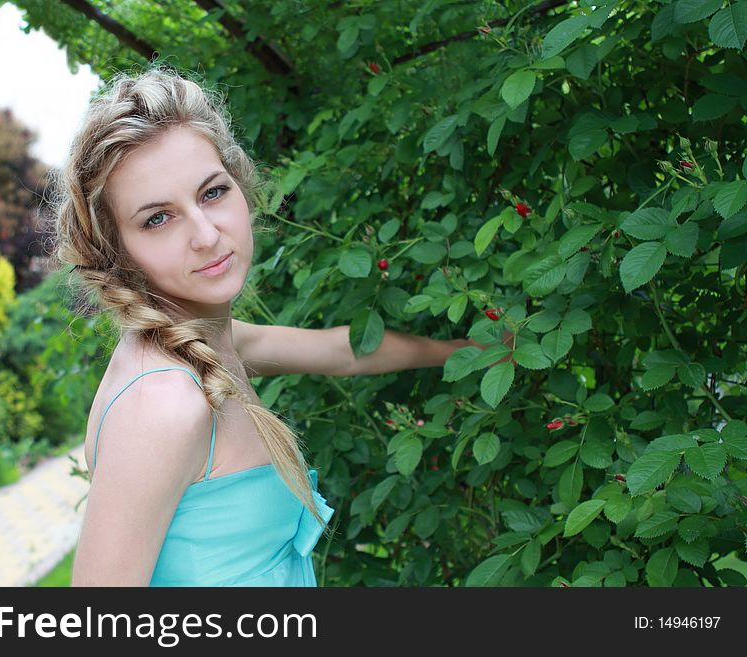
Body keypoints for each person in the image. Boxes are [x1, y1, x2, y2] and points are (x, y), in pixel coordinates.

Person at [50, 66, 508, 587]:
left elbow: (343, 351)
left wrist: (466, 350)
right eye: (158, 218)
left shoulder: (208, 345)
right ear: (116, 251)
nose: (206, 234)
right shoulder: (165, 404)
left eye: (212, 193)